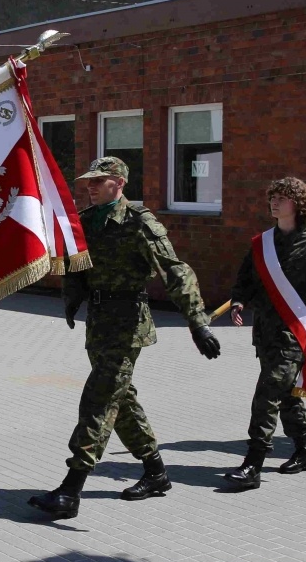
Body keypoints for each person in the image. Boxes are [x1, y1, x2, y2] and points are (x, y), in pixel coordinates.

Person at [29, 156, 220, 520]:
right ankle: (156, 471)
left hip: (129, 324)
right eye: (88, 180)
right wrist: (72, 298)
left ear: (118, 182)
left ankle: (71, 489)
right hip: (99, 323)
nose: (90, 186)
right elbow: (76, 264)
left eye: (98, 180)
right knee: (122, 400)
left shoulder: (139, 222)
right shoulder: (85, 222)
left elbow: (176, 271)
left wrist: (198, 322)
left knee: (99, 400)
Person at [224, 177, 306, 487]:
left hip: (294, 337)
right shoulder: (262, 243)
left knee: (266, 396)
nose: (275, 202)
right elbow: (245, 279)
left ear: (298, 204)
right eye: (273, 197)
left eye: (282, 198)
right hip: (266, 334)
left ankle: (253, 464)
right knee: (287, 396)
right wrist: (238, 301)